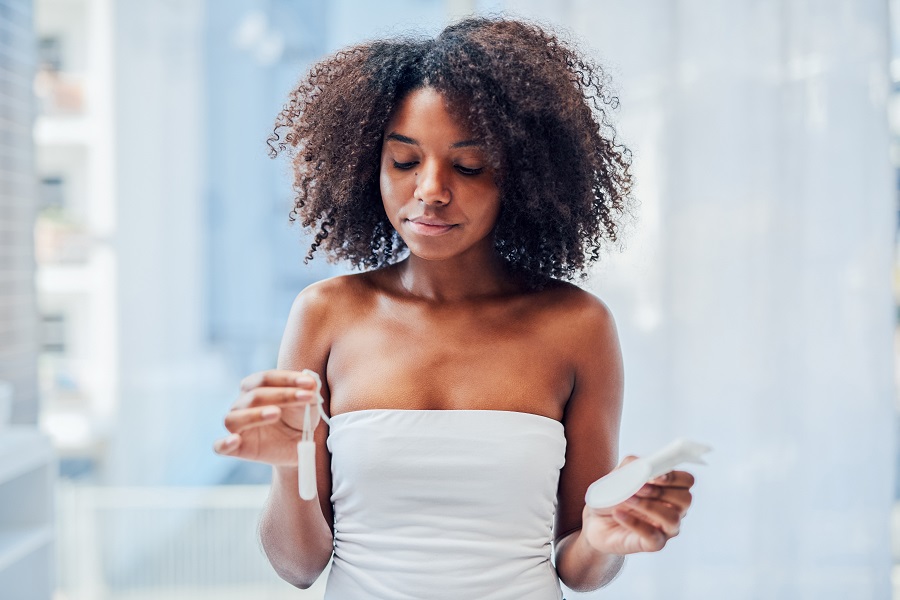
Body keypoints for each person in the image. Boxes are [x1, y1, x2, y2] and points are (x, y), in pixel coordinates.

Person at [214, 17, 695, 599]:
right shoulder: (326, 314)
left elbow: (578, 564)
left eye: (468, 166)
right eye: (405, 161)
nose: (432, 190)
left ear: (520, 175)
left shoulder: (577, 326)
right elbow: (299, 567)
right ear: (372, 165)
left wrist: (601, 536)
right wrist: (288, 467)